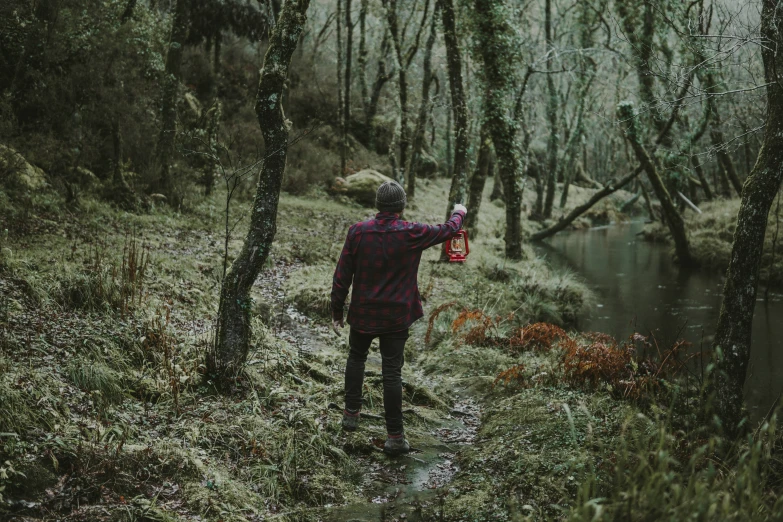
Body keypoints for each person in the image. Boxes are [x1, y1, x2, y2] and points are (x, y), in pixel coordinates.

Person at [330, 180, 467, 455]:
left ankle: (351, 415)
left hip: (363, 314)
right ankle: (394, 437)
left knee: (356, 358)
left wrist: (337, 311)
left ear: (378, 205)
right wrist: (459, 212)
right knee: (391, 371)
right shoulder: (411, 232)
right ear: (401, 207)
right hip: (396, 316)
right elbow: (450, 229)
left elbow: (341, 276)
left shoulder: (358, 232)